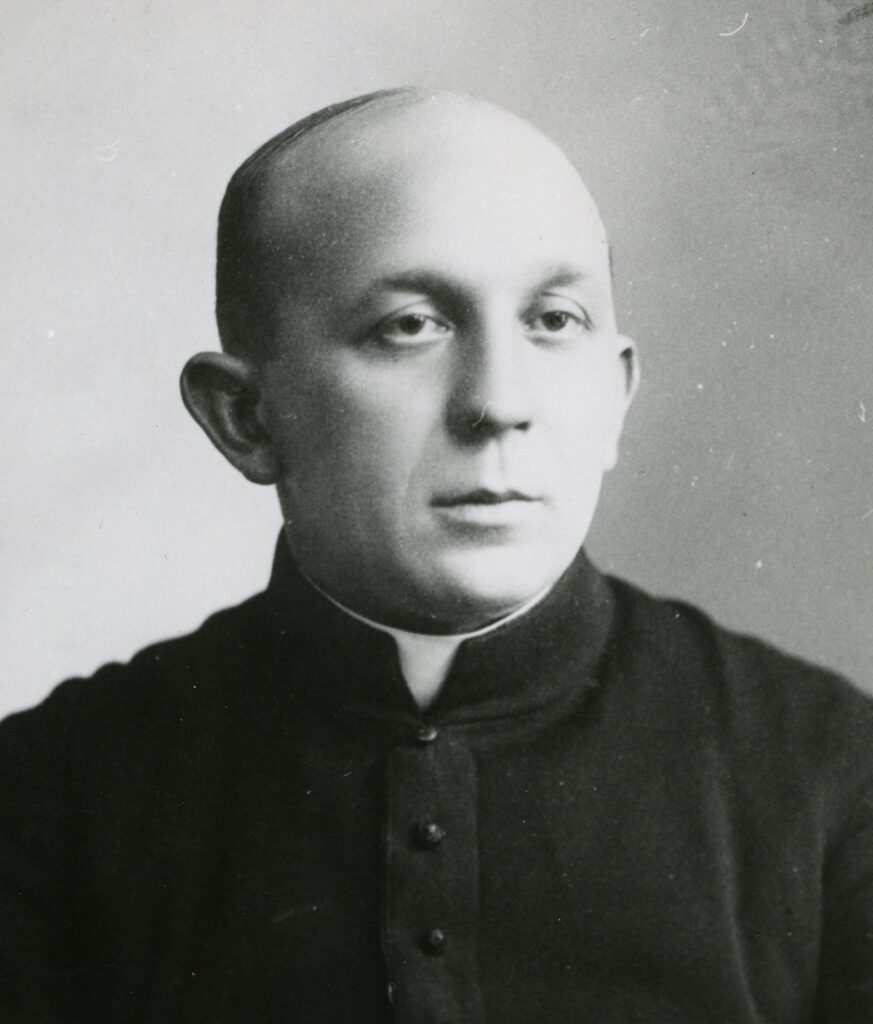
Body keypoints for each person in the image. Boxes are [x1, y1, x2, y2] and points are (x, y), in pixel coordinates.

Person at [1, 88, 871, 1023]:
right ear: (245, 417)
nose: (498, 402)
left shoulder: (830, 769)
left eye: (553, 320)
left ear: (614, 396)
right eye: (410, 325)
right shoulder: (46, 798)